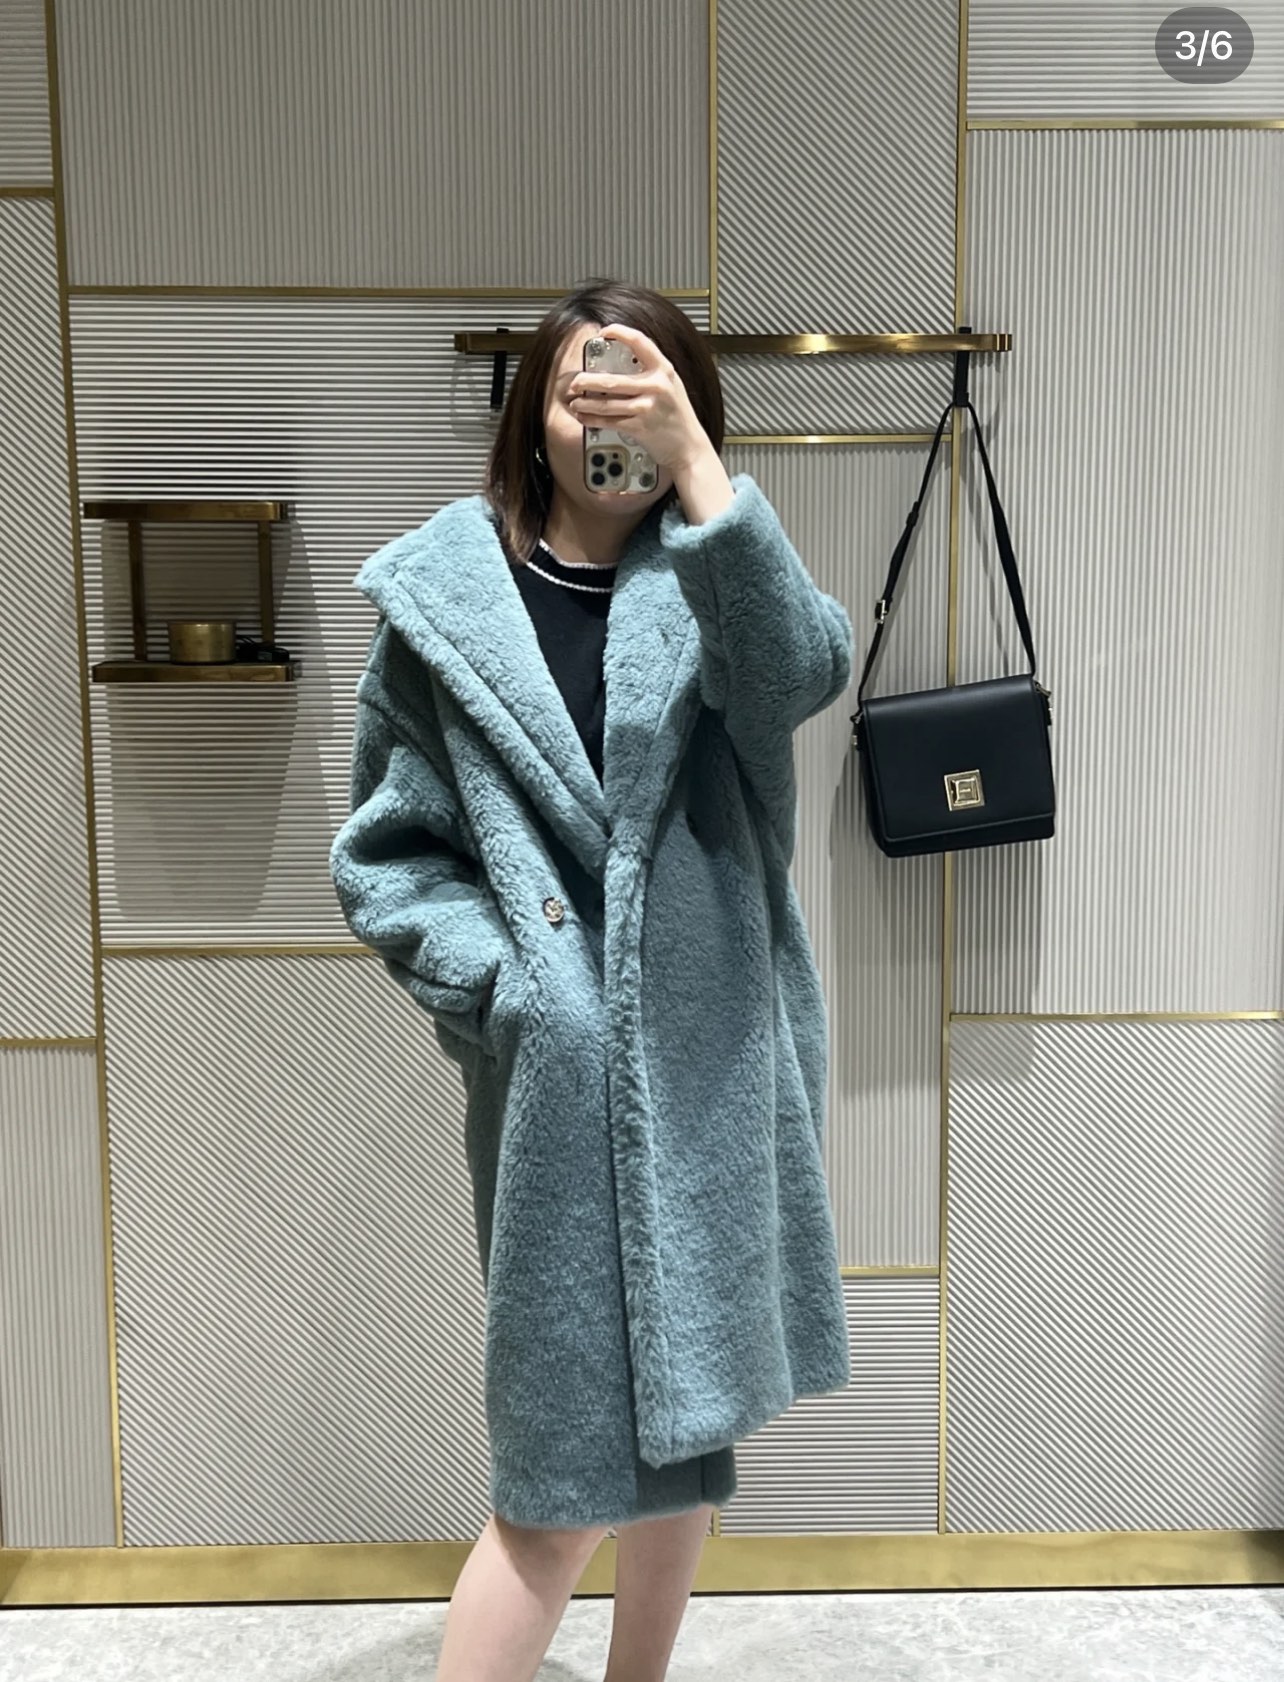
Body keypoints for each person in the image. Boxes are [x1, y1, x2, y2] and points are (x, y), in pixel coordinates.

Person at [329, 278, 855, 1682]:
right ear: (532, 415)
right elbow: (387, 853)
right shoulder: (445, 606)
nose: (605, 417)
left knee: (691, 1437)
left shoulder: (717, 581)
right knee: (557, 1486)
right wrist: (512, 989)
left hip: (713, 1057)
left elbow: (798, 675)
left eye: (642, 392)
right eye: (580, 389)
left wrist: (704, 476)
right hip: (558, 1081)